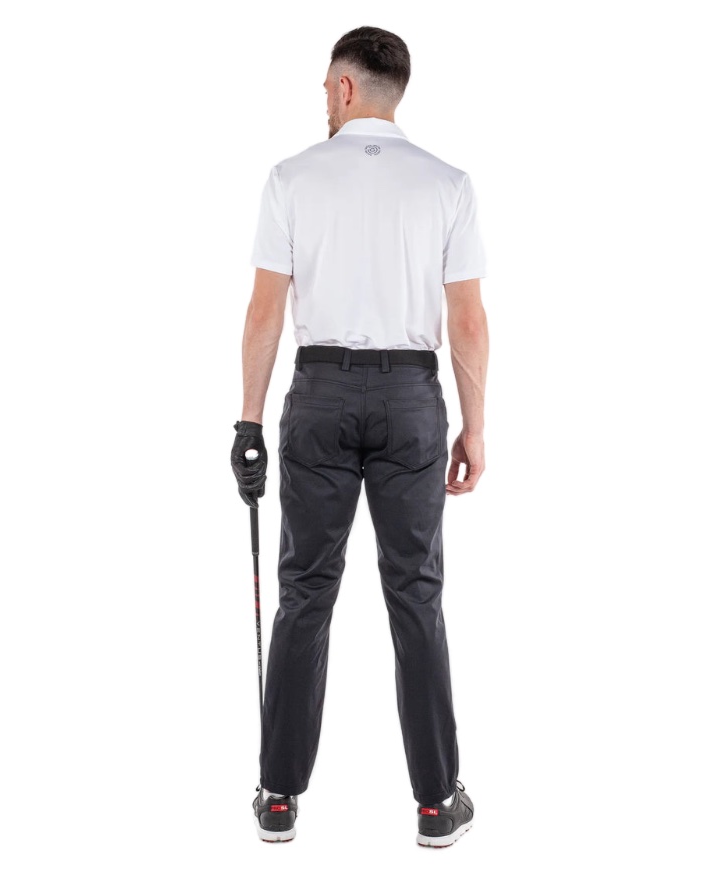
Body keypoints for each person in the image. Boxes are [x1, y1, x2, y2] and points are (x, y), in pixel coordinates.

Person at [230, 25, 489, 848]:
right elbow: (468, 322)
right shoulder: (447, 184)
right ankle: (436, 803)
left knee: (306, 591)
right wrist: (475, 427)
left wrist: (247, 422)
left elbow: (266, 312)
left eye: (324, 88)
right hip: (413, 399)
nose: (323, 100)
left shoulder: (292, 178)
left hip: (320, 394)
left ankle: (278, 796)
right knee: (416, 594)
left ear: (345, 88)